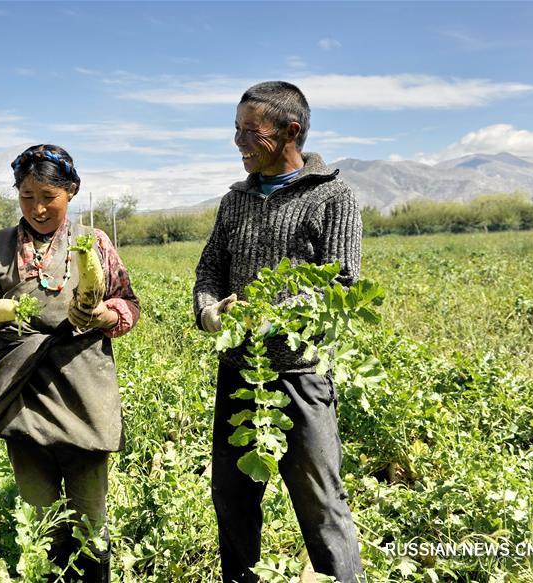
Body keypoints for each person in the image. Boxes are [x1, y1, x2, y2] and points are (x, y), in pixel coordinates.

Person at [193, 82, 364, 583]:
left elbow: (342, 283)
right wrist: (209, 312)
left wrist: (269, 314)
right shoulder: (235, 200)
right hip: (239, 373)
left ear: (291, 130)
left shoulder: (332, 196)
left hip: (300, 376)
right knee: (232, 496)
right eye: (237, 129)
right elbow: (209, 272)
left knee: (320, 504)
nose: (239, 141)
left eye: (252, 131)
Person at [0, 144, 139, 582]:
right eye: (26, 196)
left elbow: (128, 303)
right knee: (39, 513)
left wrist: (102, 314)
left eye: (48, 197)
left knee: (90, 514)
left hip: (81, 387)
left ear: (70, 192)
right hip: (21, 390)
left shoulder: (93, 244)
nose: (37, 207)